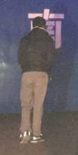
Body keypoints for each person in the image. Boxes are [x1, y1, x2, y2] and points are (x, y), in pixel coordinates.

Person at [18, 16, 56, 144]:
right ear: (44, 26)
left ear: (32, 25)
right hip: (41, 74)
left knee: (25, 104)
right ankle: (36, 134)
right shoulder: (48, 40)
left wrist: (26, 69)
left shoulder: (25, 39)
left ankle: (25, 132)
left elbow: (20, 58)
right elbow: (51, 59)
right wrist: (47, 72)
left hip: (27, 73)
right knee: (38, 105)